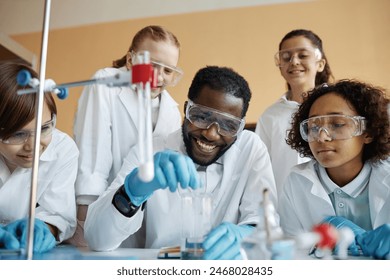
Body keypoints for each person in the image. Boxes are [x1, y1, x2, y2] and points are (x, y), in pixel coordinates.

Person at [84, 66, 277, 260]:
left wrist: (245, 235)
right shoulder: (149, 151)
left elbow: (265, 225)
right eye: (201, 117)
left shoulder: (251, 150)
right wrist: (131, 193)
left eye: (228, 125)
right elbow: (97, 239)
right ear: (186, 109)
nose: (210, 134)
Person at [70, 25, 183, 246]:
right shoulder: (106, 84)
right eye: (152, 65)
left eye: (168, 70)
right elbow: (93, 156)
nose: (158, 77)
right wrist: (85, 225)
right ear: (131, 61)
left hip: (140, 220)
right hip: (97, 213)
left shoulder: (171, 109)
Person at [278, 79, 390, 259]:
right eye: (314, 127)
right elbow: (291, 253)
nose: (322, 137)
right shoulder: (296, 182)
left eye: (337, 124)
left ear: (367, 132)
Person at [0, 62, 78, 253]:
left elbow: (58, 215)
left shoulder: (63, 149)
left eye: (44, 129)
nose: (33, 146)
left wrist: (44, 227)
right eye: (18, 134)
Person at [255, 29, 334, 195]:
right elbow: (260, 170)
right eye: (286, 57)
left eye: (303, 55)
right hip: (284, 209)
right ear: (280, 67)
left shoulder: (338, 107)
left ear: (320, 64)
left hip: (332, 203)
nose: (294, 61)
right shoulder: (270, 116)